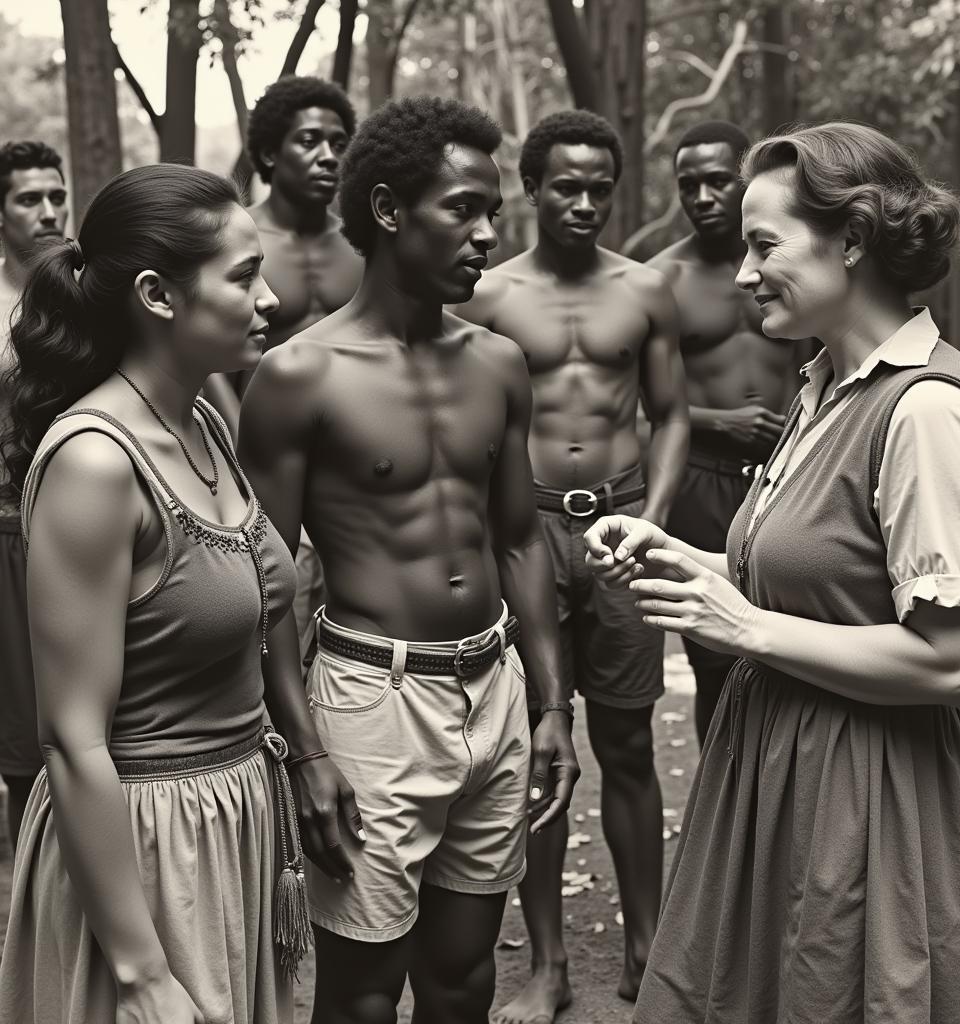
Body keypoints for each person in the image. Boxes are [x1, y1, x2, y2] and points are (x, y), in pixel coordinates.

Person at [586, 122, 960, 1023]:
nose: (742, 273)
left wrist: (738, 626)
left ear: (853, 239)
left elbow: (956, 664)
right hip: (779, 767)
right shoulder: (826, 387)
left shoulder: (930, 411)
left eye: (763, 244)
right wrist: (689, 561)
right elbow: (815, 573)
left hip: (874, 797)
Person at [237, 96, 580, 1024]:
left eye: (492, 215)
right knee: (361, 990)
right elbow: (265, 580)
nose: (485, 236)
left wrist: (553, 703)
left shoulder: (501, 364)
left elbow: (517, 537)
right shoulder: (300, 375)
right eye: (462, 210)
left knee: (465, 976)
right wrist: (304, 751)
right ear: (389, 211)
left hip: (495, 690)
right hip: (372, 704)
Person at [0, 164, 303, 1024]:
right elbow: (72, 738)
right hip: (143, 845)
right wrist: (138, 971)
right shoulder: (96, 463)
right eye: (244, 277)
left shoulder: (201, 414)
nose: (272, 299)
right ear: (157, 295)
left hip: (229, 818)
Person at [454, 109, 688, 1019]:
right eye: (567, 186)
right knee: (535, 750)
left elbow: (670, 415)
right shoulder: (487, 295)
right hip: (527, 530)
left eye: (600, 188)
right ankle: (547, 966)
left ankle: (647, 951)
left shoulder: (647, 290)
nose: (584, 202)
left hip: (623, 523)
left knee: (628, 741)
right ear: (532, 188)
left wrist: (653, 522)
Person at [647, 120, 808, 746]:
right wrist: (722, 421)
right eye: (688, 184)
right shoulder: (659, 280)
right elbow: (636, 409)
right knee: (715, 657)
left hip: (790, 472)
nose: (702, 196)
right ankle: (724, 805)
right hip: (703, 482)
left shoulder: (795, 264)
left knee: (792, 640)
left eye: (718, 181)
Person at [208, 74, 364, 650]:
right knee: (279, 629)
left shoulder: (363, 243)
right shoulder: (238, 235)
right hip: (264, 472)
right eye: (309, 140)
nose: (329, 155)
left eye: (340, 140)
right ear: (271, 152)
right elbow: (212, 361)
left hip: (357, 471)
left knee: (355, 640)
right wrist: (242, 447)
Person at [0, 139, 69, 850]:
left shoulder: (83, 293)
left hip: (82, 525)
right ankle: (29, 918)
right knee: (25, 747)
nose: (48, 211)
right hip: (7, 533)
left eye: (56, 196)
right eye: (29, 198)